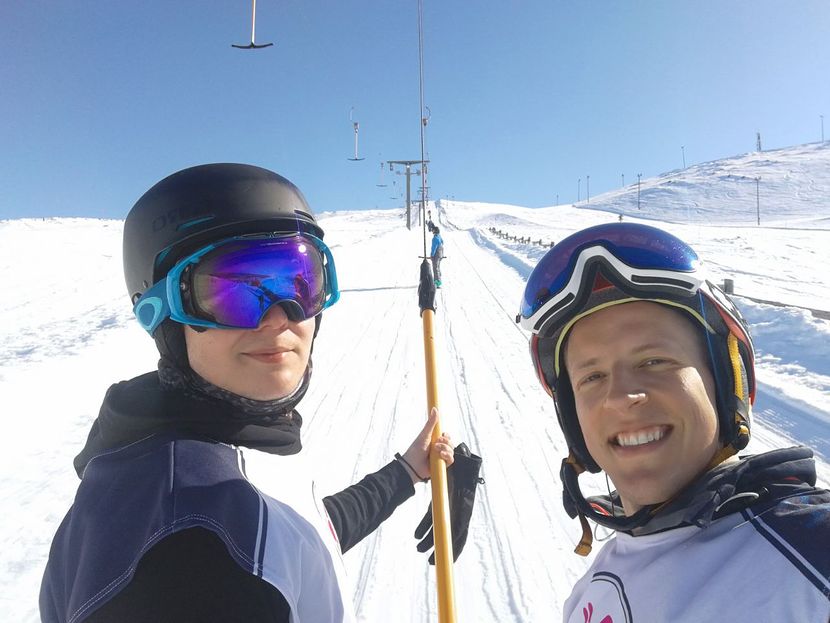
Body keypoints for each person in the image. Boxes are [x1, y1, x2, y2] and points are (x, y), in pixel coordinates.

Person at [39, 163, 460, 623]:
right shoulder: (189, 557)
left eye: (299, 283)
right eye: (235, 292)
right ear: (162, 313)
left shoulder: (198, 467)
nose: (279, 316)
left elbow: (304, 540)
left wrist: (407, 472)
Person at [516, 222, 830, 621]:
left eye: (654, 361)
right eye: (591, 377)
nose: (621, 397)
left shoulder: (811, 555)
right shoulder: (589, 590)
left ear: (725, 383)